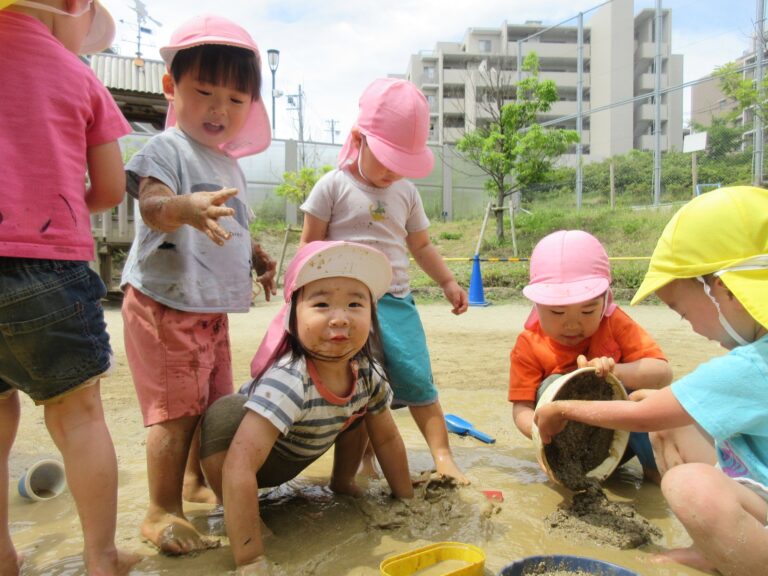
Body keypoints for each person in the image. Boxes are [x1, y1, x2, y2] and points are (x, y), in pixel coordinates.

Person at [534, 186, 768, 575]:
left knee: (688, 486)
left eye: (679, 307)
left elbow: (649, 416)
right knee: (665, 421)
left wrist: (560, 407)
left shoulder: (754, 365)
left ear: (721, 291)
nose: (685, 322)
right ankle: (715, 548)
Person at [119, 14, 277, 555]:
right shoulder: (167, 149)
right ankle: (161, 509)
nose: (219, 109)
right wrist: (183, 207)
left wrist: (258, 259)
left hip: (208, 310)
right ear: (172, 88)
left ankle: (194, 483)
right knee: (175, 410)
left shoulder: (229, 165)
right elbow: (155, 207)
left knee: (213, 405)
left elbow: (236, 225)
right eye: (204, 92)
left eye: (236, 100)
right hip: (165, 305)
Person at [0, 1, 141, 574]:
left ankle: (4, 557)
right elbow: (109, 187)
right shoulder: (77, 74)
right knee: (78, 416)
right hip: (46, 267)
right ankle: (101, 557)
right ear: (69, 7)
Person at [292, 78, 469, 484]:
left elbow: (421, 246)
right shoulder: (333, 186)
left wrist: (447, 283)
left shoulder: (405, 192)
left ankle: (443, 457)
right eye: (386, 159)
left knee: (416, 377)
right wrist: (301, 304)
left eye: (402, 164)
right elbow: (309, 248)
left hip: (396, 303)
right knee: (358, 385)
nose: (392, 172)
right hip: (347, 308)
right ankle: (364, 460)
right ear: (358, 139)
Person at [199, 240, 414, 574]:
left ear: (372, 317)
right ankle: (234, 508)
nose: (340, 318)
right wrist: (251, 558)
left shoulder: (368, 373)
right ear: (291, 317)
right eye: (322, 304)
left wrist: (406, 501)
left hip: (300, 445)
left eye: (356, 304)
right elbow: (239, 466)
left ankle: (343, 482)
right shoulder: (289, 380)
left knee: (360, 411)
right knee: (225, 413)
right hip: (248, 459)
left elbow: (386, 440)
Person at [509, 230, 672, 482]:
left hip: (623, 435)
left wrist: (616, 371)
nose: (572, 325)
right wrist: (538, 430)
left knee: (643, 398)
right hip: (565, 441)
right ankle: (571, 469)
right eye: (557, 312)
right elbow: (522, 407)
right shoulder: (529, 344)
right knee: (554, 385)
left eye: (587, 311)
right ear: (536, 305)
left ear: (605, 300)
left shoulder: (615, 322)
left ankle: (655, 473)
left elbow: (662, 374)